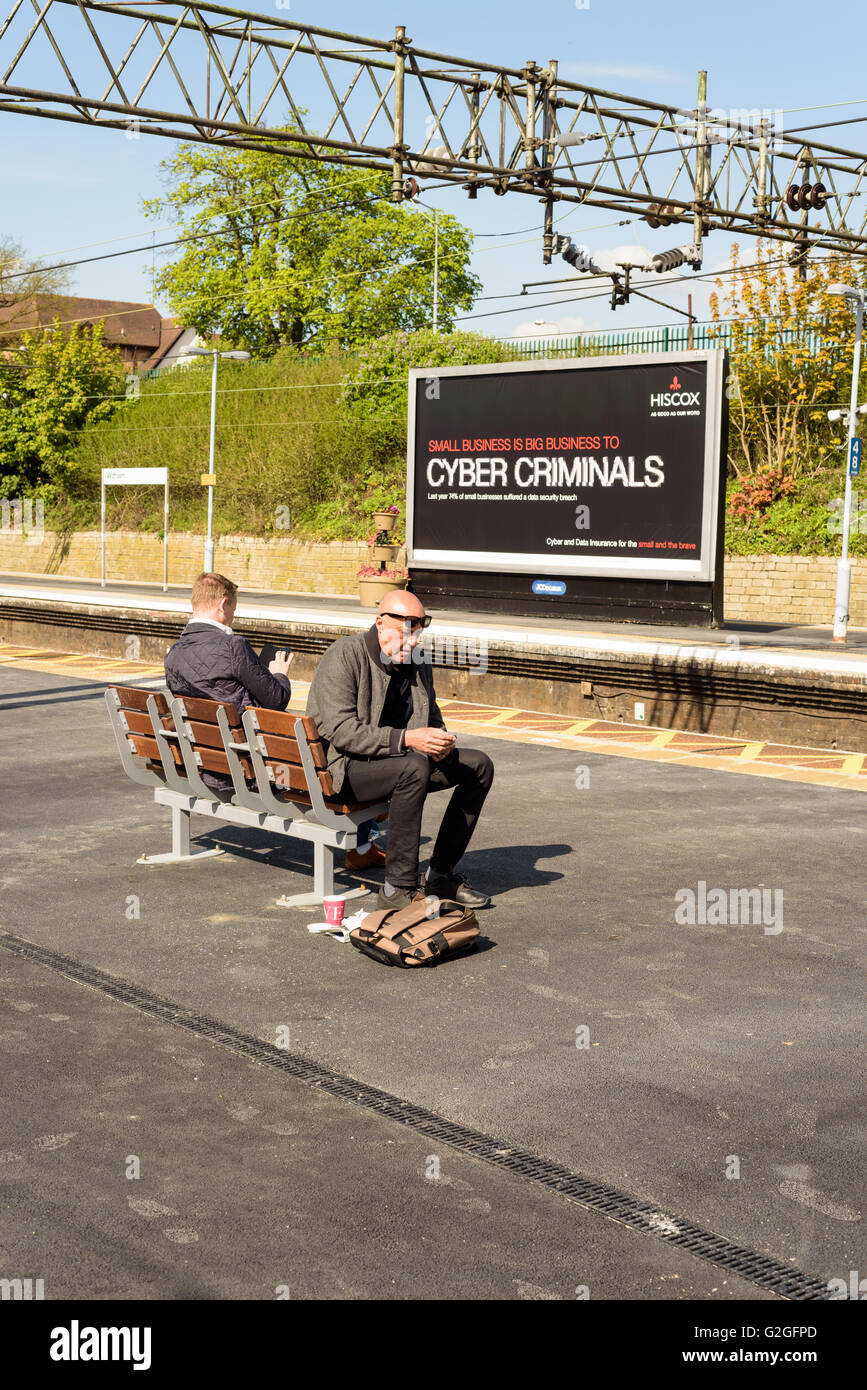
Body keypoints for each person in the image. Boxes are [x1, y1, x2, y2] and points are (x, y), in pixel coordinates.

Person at [306, 589, 494, 910]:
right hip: (345, 770)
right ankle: (398, 888)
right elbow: (339, 731)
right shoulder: (345, 655)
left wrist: (440, 742)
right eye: (406, 631)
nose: (414, 641)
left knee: (479, 765)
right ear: (380, 623)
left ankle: (440, 874)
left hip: (403, 762)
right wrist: (406, 740)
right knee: (413, 768)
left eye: (418, 631)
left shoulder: (418, 665)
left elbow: (432, 719)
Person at [164, 572, 292, 796]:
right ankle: (286, 789)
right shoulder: (233, 646)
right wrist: (279, 675)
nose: (233, 615)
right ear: (223, 604)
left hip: (202, 762)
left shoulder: (173, 654)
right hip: (243, 765)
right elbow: (276, 700)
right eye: (233, 608)